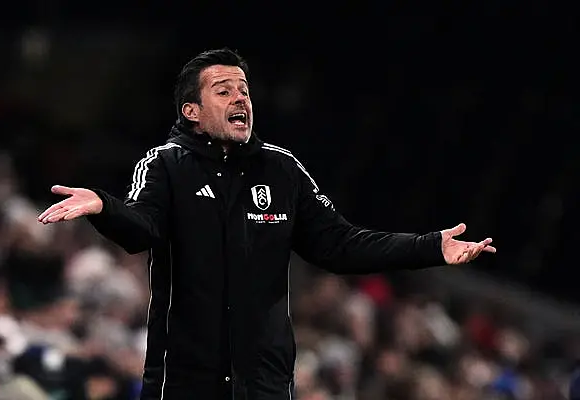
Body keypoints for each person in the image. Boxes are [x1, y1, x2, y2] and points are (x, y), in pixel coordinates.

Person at [38, 48, 496, 400]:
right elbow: (143, 228)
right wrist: (104, 206)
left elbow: (340, 244)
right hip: (185, 380)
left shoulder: (282, 170)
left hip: (265, 383)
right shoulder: (166, 166)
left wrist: (429, 247)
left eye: (244, 90)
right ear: (191, 111)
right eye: (223, 90)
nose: (240, 97)